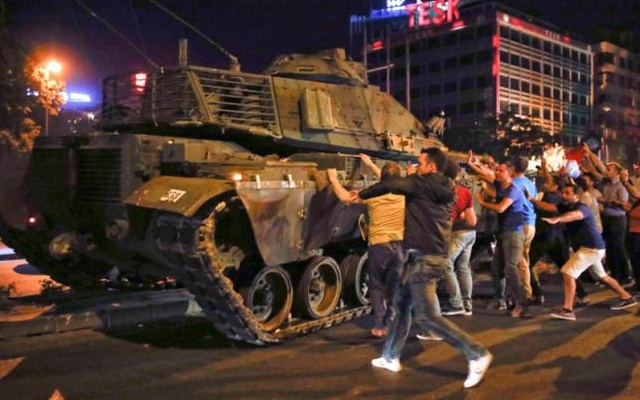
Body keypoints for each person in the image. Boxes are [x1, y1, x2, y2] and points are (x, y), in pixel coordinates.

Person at [352, 148, 492, 389]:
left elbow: (390, 184)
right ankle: (390, 356)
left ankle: (476, 354)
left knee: (427, 316)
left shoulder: (423, 183)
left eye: (420, 163)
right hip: (423, 254)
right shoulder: (446, 187)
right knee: (402, 304)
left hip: (425, 258)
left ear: (431, 167)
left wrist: (361, 195)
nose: (416, 166)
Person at [327, 154, 405, 338]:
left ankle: (379, 326)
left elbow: (345, 197)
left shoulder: (374, 196)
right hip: (400, 246)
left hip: (380, 246)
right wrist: (370, 164)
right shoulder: (404, 194)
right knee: (394, 286)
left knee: (377, 285)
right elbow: (388, 182)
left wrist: (333, 179)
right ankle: (391, 321)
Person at [543, 184, 638, 321]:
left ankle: (567, 310)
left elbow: (575, 216)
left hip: (591, 248)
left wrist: (558, 219)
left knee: (568, 272)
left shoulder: (582, 207)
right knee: (602, 277)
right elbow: (548, 207)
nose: (563, 195)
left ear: (576, 195)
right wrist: (530, 199)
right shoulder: (565, 206)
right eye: (563, 192)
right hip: (592, 248)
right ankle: (627, 297)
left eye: (567, 193)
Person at [474, 162, 528, 317]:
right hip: (503, 233)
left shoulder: (513, 190)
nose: (497, 173)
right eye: (496, 170)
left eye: (501, 171)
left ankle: (521, 304)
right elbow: (486, 174)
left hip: (514, 233)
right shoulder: (500, 186)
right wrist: (473, 164)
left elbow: (501, 208)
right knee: (497, 269)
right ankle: (500, 299)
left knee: (511, 268)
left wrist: (482, 201)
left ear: (510, 174)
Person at [441, 161, 477, 316]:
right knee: (463, 267)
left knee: (446, 263)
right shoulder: (464, 191)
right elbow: (473, 220)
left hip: (457, 234)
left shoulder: (444, 192)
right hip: (470, 233)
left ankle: (456, 304)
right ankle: (467, 305)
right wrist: (462, 214)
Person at [510, 156, 537, 302]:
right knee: (524, 259)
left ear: (513, 167)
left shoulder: (513, 184)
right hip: (531, 223)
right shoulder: (530, 183)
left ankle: (525, 293)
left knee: (519, 261)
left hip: (520, 224)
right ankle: (527, 291)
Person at [620, 169, 640, 292]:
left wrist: (625, 183)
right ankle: (638, 282)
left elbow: (636, 194)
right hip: (633, 232)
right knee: (634, 259)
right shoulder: (637, 202)